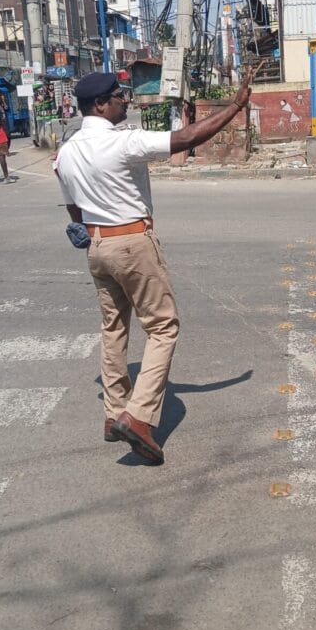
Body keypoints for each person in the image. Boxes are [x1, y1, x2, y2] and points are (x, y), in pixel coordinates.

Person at [54, 68, 252, 465]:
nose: (125, 100)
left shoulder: (67, 152)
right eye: (118, 95)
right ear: (100, 104)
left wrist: (90, 223)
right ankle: (139, 418)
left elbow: (74, 207)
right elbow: (187, 137)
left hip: (96, 244)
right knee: (163, 327)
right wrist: (234, 106)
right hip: (132, 243)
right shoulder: (122, 143)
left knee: (113, 328)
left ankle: (113, 414)